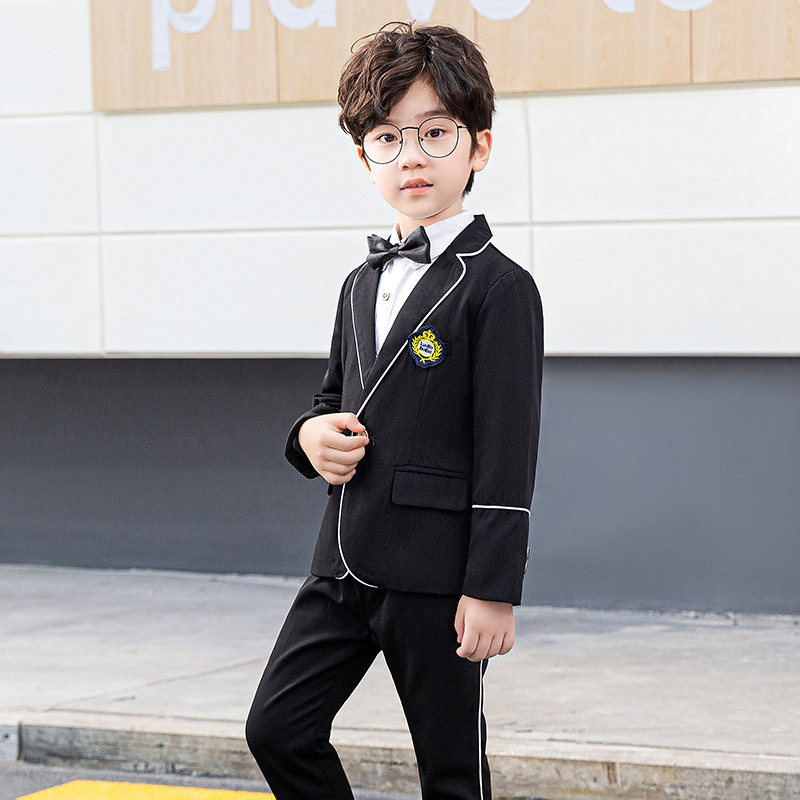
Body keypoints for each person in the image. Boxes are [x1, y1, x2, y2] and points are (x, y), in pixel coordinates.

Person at [245, 19, 544, 800]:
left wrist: (492, 587)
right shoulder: (359, 281)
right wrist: (309, 435)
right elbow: (331, 400)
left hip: (437, 575)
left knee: (451, 772)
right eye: (387, 138)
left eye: (435, 133)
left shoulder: (501, 288)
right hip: (341, 561)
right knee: (277, 729)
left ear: (479, 147)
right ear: (364, 157)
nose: (411, 155)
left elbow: (508, 447)